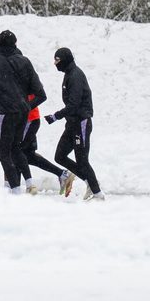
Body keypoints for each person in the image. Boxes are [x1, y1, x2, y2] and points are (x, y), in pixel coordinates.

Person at [0, 31, 69, 195]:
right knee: (18, 151)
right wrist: (25, 105)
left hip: (11, 114)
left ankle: (16, 189)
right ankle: (26, 185)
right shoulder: (24, 61)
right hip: (24, 115)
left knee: (6, 153)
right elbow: (40, 92)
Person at [44, 48, 103, 201]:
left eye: (57, 60)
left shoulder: (75, 75)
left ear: (65, 60)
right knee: (60, 156)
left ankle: (98, 194)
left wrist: (55, 116)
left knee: (82, 160)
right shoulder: (68, 74)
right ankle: (90, 182)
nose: (55, 63)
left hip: (81, 122)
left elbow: (74, 105)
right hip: (72, 123)